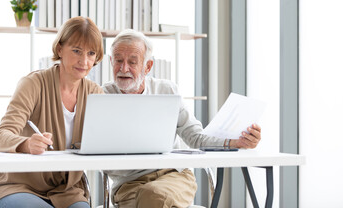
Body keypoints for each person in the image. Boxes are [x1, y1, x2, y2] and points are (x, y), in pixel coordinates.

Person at [103, 29, 262, 208]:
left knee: (154, 195)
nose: (124, 68)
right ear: (111, 61)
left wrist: (236, 141)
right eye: (118, 60)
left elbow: (195, 137)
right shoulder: (101, 95)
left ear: (147, 66)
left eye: (132, 62)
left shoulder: (167, 91)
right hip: (129, 185)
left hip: (175, 175)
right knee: (151, 196)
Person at [0, 16, 104, 208]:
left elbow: (104, 141)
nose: (84, 61)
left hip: (66, 190)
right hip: (18, 185)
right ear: (60, 48)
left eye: (91, 53)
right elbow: (0, 136)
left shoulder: (95, 93)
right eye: (76, 51)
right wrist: (26, 144)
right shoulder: (33, 84)